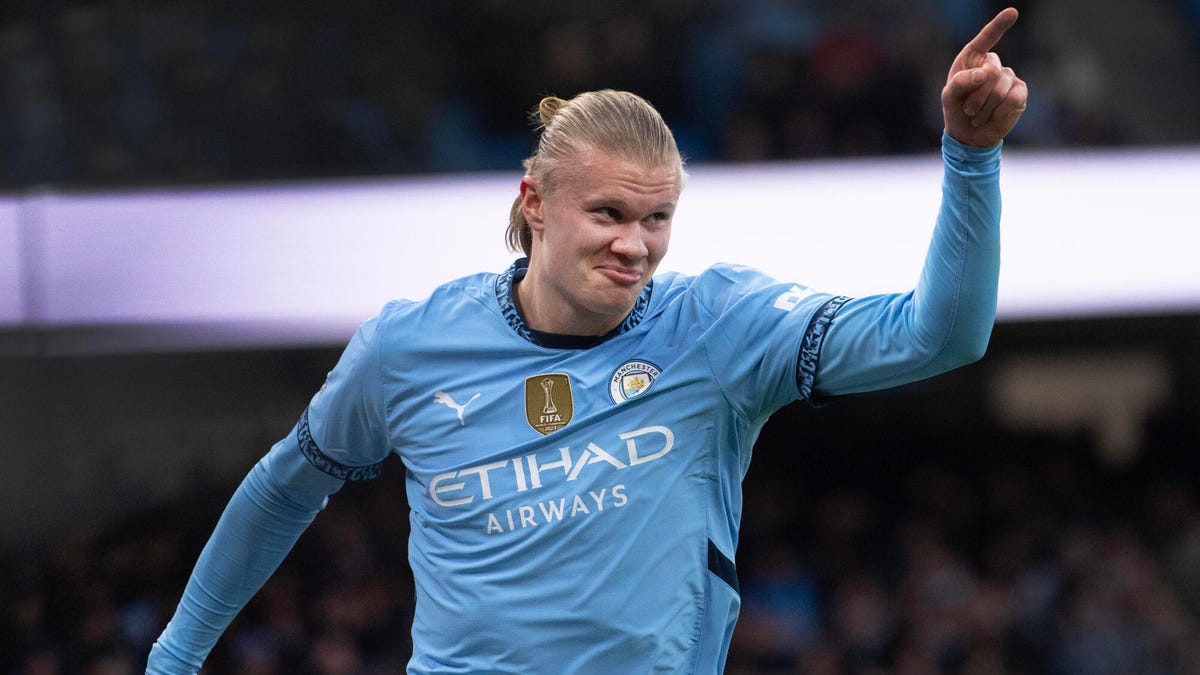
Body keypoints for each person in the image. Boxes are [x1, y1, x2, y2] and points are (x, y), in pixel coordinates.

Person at [147, 8, 1027, 674]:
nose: (634, 243)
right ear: (534, 201)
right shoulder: (407, 348)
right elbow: (282, 488)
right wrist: (175, 658)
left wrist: (971, 157)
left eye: (656, 218)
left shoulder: (720, 328)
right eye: (606, 212)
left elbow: (936, 337)